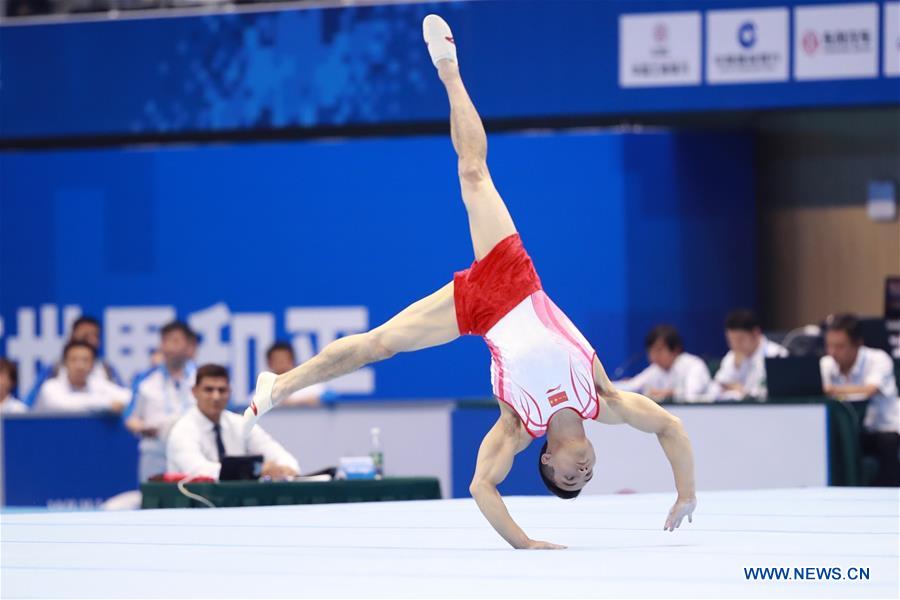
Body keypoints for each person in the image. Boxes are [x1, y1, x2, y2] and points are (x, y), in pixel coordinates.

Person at [243, 15, 696, 550]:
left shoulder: (517, 426)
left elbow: (482, 487)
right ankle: (450, 72)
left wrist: (524, 543)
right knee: (474, 171)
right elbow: (672, 428)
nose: (583, 472)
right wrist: (685, 492)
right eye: (585, 478)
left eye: (569, 478)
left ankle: (278, 386)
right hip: (516, 280)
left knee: (376, 346)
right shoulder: (607, 401)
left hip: (478, 311)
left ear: (545, 459)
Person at [167, 364, 300, 480]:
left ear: (229, 392)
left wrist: (285, 469)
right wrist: (255, 471)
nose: (216, 397)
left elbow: (279, 455)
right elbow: (199, 471)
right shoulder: (182, 430)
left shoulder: (241, 423)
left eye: (222, 390)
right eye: (209, 390)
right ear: (194, 392)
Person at [820, 313, 899, 486]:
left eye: (840, 347)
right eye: (829, 346)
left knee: (889, 443)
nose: (833, 352)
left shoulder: (879, 359)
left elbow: (869, 390)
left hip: (883, 429)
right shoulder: (826, 363)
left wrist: (832, 390)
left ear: (858, 344)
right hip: (850, 431)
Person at [124, 320, 199, 481]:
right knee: (153, 502)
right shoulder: (145, 379)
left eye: (176, 341)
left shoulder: (202, 378)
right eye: (165, 341)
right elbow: (130, 417)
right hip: (155, 453)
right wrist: (143, 427)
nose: (170, 347)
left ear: (189, 346)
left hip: (194, 452)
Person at [24, 315, 120, 408]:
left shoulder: (106, 369)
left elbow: (124, 399)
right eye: (85, 335)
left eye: (95, 336)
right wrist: (106, 404)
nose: (91, 340)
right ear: (72, 336)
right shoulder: (54, 369)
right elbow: (30, 404)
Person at [615, 325, 711, 403]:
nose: (653, 356)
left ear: (675, 349)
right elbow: (632, 386)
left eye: (659, 350)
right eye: (650, 351)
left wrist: (668, 393)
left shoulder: (694, 365)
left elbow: (692, 394)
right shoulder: (655, 369)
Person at [32, 341, 129, 413]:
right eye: (74, 360)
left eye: (85, 360)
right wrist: (107, 404)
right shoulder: (50, 387)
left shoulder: (97, 383)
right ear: (64, 363)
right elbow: (63, 404)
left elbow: (127, 398)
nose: (80, 366)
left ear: (93, 365)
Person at [711, 309, 788, 400]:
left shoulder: (778, 354)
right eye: (731, 340)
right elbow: (716, 389)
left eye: (740, 340)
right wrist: (736, 367)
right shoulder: (731, 356)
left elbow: (766, 393)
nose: (735, 345)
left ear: (756, 333)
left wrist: (741, 390)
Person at [236, 342, 332, 409]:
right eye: (277, 360)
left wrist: (297, 402)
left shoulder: (308, 383)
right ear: (269, 363)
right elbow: (251, 407)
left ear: (292, 360)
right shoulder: (262, 390)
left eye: (284, 359)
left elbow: (329, 397)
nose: (281, 363)